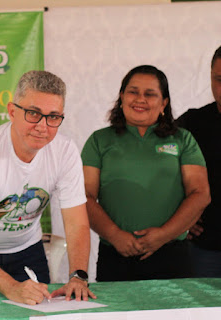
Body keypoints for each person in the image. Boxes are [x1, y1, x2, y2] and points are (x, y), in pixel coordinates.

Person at [0, 70, 96, 305]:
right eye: (33, 113)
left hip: (25, 246)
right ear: (12, 112)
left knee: (39, 310)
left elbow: (77, 222)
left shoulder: (65, 152)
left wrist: (78, 276)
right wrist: (11, 287)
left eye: (53, 117)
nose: (42, 126)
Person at [81, 65, 211, 281]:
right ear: (121, 97)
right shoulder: (99, 140)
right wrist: (115, 235)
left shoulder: (182, 139)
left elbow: (200, 193)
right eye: (133, 92)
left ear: (164, 103)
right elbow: (84, 196)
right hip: (115, 254)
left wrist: (163, 235)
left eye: (150, 94)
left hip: (172, 254)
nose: (140, 99)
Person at [176, 46, 221, 277]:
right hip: (206, 248)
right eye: (219, 79)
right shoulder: (192, 122)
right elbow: (156, 166)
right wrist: (180, 217)